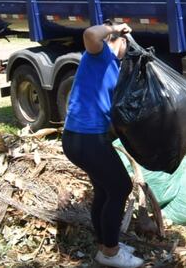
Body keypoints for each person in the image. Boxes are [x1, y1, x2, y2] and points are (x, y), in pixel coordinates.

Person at [61, 21, 144, 268]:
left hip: (87, 138)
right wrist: (115, 26)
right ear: (118, 39)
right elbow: (89, 33)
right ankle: (111, 252)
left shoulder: (113, 64)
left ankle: (104, 245)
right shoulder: (99, 54)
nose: (127, 49)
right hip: (84, 139)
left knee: (106, 190)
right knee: (120, 188)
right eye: (126, 44)